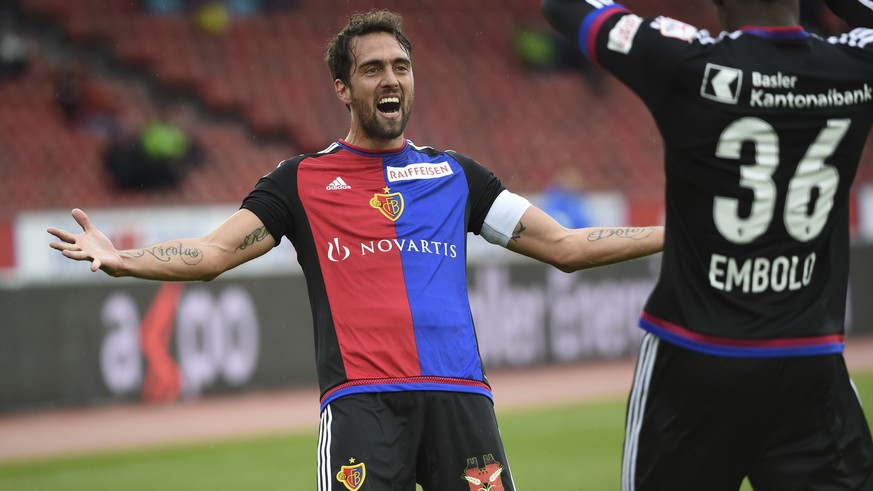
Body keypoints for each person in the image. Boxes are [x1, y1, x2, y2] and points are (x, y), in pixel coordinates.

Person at [48, 10, 663, 491]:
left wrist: (679, 235)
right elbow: (212, 253)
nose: (391, 78)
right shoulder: (299, 181)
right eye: (372, 69)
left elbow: (567, 246)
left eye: (401, 66)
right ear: (343, 88)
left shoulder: (458, 177)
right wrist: (123, 258)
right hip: (363, 403)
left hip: (460, 396)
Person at [540, 0, 873, 490]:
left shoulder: (686, 61)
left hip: (692, 357)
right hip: (810, 360)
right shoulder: (853, 65)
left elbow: (563, 5)